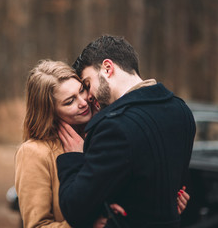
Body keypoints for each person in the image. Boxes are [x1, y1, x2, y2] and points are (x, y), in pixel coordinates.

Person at [14, 59, 190, 228]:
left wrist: (166, 205)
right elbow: (37, 225)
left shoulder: (103, 133)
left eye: (82, 90)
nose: (84, 102)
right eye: (70, 101)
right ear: (50, 112)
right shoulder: (34, 152)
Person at [56, 35, 196, 228]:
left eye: (87, 85)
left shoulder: (114, 127)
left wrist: (73, 158)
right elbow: (176, 190)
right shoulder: (181, 111)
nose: (88, 97)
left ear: (107, 68)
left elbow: (75, 209)